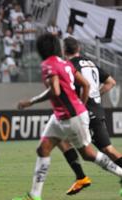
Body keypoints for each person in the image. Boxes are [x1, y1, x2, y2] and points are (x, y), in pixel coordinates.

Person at [13, 33, 122, 200]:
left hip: (72, 116)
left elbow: (55, 90)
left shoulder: (49, 65)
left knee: (90, 154)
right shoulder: (66, 64)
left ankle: (112, 174)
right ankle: (35, 195)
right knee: (43, 149)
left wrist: (31, 101)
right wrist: (82, 104)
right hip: (64, 115)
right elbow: (85, 84)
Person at [60, 37, 122, 195]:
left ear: (64, 50)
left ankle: (81, 177)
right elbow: (111, 82)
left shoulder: (69, 66)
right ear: (78, 49)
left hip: (83, 111)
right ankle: (81, 177)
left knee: (62, 140)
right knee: (108, 149)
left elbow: (74, 88)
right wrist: (96, 95)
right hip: (97, 109)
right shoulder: (91, 63)